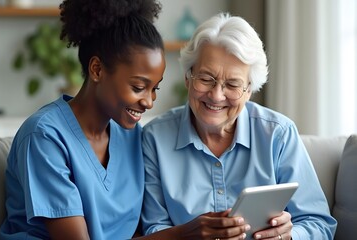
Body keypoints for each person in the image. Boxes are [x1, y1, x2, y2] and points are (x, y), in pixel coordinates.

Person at [141, 12, 337, 240]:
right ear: (188, 77)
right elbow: (154, 228)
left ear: (249, 91)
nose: (216, 95)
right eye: (205, 79)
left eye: (232, 84)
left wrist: (290, 236)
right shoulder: (154, 138)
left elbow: (319, 223)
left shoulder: (279, 135)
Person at [0, 0, 166, 239]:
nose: (149, 102)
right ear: (97, 69)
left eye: (155, 88)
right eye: (139, 87)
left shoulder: (132, 135)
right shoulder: (44, 136)